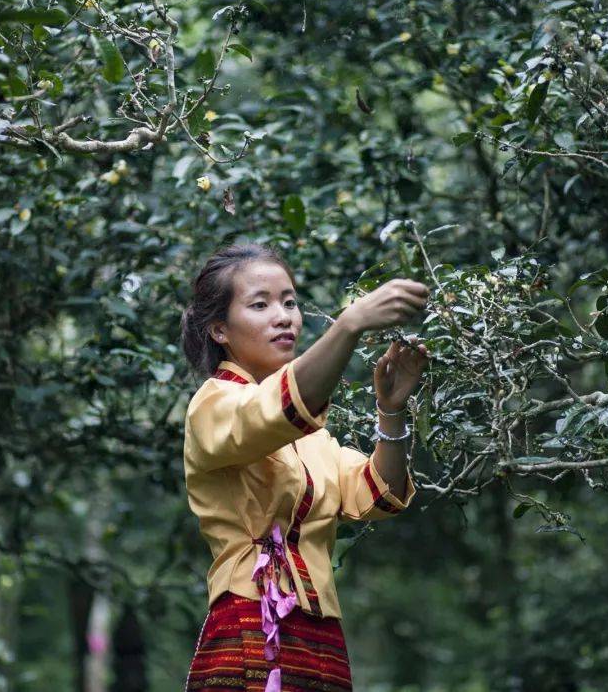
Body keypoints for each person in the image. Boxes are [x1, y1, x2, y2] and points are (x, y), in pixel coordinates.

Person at [179, 242, 431, 690]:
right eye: (261, 305)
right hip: (250, 615)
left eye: (290, 302)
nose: (284, 316)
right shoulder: (213, 405)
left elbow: (379, 492)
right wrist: (350, 324)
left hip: (320, 630)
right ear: (220, 330)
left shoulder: (312, 434)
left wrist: (390, 410)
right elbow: (269, 413)